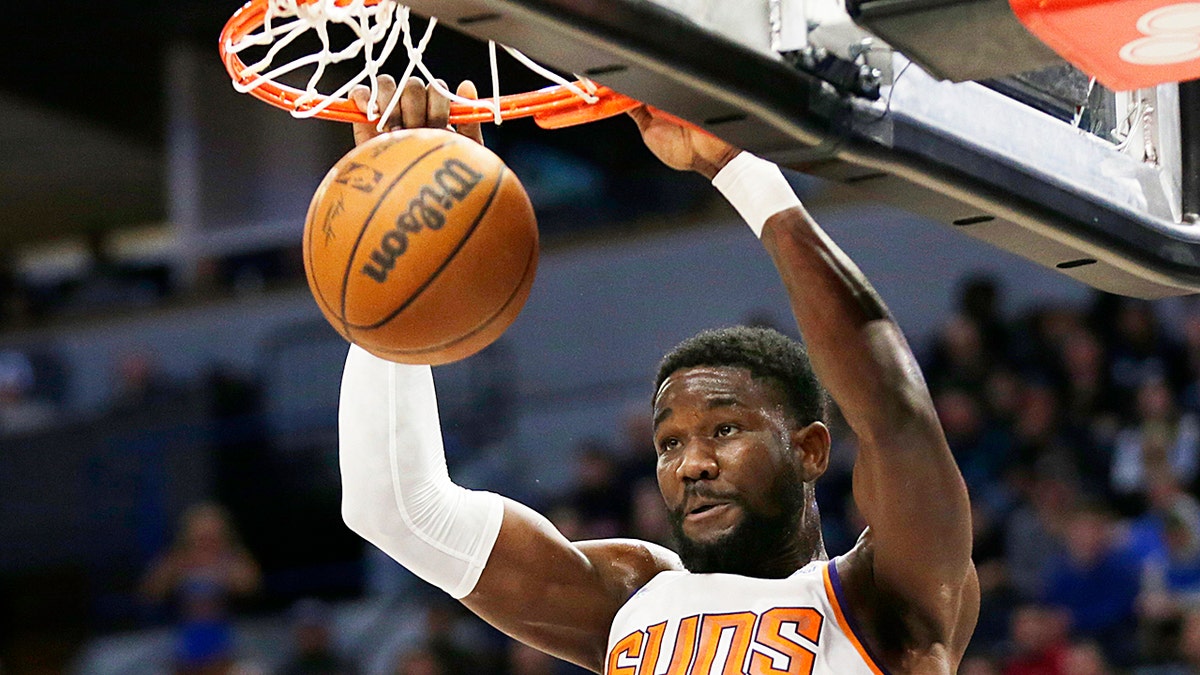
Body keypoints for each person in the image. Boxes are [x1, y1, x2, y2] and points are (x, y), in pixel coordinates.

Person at [338, 76, 979, 673]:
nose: (691, 463)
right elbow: (397, 509)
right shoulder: (629, 597)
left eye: (725, 428)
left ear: (810, 448)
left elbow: (895, 417)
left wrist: (741, 170)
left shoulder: (884, 597)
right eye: (669, 442)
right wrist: (395, 268)